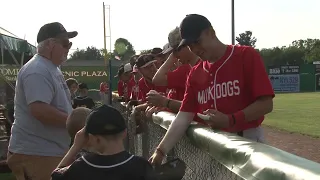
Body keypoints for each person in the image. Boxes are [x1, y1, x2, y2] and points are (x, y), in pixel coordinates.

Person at [149, 14, 274, 165]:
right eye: (190, 45)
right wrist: (161, 151)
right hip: (216, 148)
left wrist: (230, 119)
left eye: (197, 42)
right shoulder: (195, 73)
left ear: (211, 32)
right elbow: (183, 117)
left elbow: (266, 104)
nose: (195, 49)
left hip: (249, 143)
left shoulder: (245, 55)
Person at [7, 22, 77, 180]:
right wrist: (75, 121)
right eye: (65, 44)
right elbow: (39, 110)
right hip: (37, 153)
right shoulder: (37, 70)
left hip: (44, 152)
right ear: (51, 44)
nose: (68, 48)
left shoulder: (50, 67)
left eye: (70, 44)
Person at [51, 105, 157, 180]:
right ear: (124, 133)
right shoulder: (141, 166)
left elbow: (56, 175)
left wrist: (75, 146)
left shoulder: (80, 167)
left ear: (94, 139)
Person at [148, 27, 200, 113]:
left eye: (176, 50)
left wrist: (164, 102)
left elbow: (157, 79)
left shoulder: (185, 70)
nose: (174, 55)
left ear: (187, 45)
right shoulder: (189, 68)